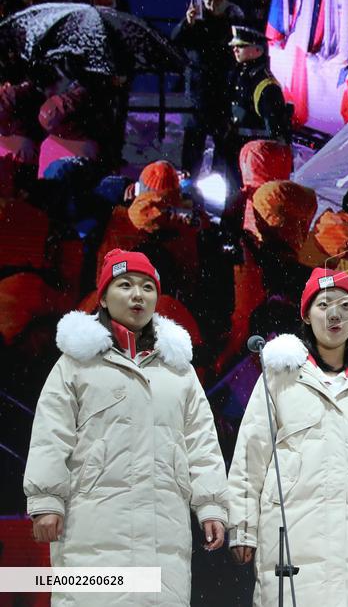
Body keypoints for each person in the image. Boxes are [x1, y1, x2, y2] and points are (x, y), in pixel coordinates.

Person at [23, 249, 228, 606]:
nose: (138, 295)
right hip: (92, 522)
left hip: (164, 528)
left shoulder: (179, 370)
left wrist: (211, 505)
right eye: (125, 285)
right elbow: (51, 433)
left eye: (148, 287)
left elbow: (202, 441)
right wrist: (46, 500)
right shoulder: (76, 363)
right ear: (103, 297)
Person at [228, 268, 348, 605]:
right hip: (291, 535)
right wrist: (242, 526)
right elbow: (250, 454)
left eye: (345, 305)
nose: (334, 314)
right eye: (324, 304)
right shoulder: (279, 376)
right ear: (306, 315)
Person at [172, 0, 245, 177]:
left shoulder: (233, 21)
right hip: (198, 89)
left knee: (223, 140)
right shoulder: (196, 21)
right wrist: (187, 23)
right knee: (194, 139)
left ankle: (219, 180)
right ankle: (189, 179)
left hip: (222, 88)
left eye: (217, 0)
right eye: (208, 0)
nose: (212, 5)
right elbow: (176, 40)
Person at [225, 25, 289, 206]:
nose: (235, 49)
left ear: (257, 50)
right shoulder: (242, 74)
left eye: (241, 46)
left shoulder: (266, 84)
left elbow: (275, 130)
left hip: (254, 155)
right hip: (238, 149)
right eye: (234, 46)